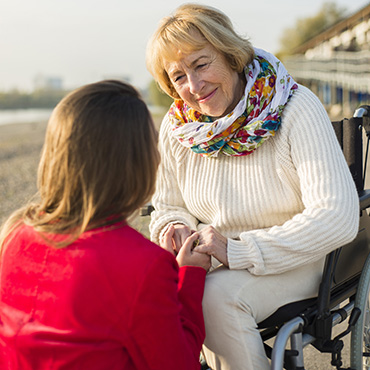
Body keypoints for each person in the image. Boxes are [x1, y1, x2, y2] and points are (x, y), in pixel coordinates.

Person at [146, 3, 359, 369]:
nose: (194, 88)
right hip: (216, 258)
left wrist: (240, 251)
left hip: (302, 255)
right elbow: (167, 205)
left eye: (200, 64)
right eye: (178, 76)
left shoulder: (295, 107)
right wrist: (174, 228)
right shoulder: (178, 127)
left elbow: (337, 216)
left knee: (212, 298)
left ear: (231, 55)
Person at [0, 80, 211, 370]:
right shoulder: (144, 265)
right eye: (152, 145)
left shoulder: (15, 236)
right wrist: (190, 275)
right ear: (137, 162)